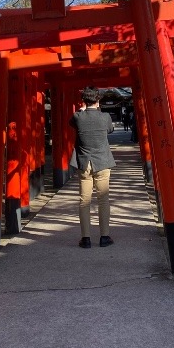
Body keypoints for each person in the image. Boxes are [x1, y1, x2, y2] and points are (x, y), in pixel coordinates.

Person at [69, 87, 115, 248]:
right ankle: (104, 237)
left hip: (84, 163)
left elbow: (71, 123)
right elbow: (110, 129)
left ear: (83, 101)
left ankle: (86, 238)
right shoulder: (105, 117)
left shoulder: (77, 117)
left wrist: (82, 110)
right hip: (102, 161)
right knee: (103, 200)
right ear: (98, 100)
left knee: (84, 201)